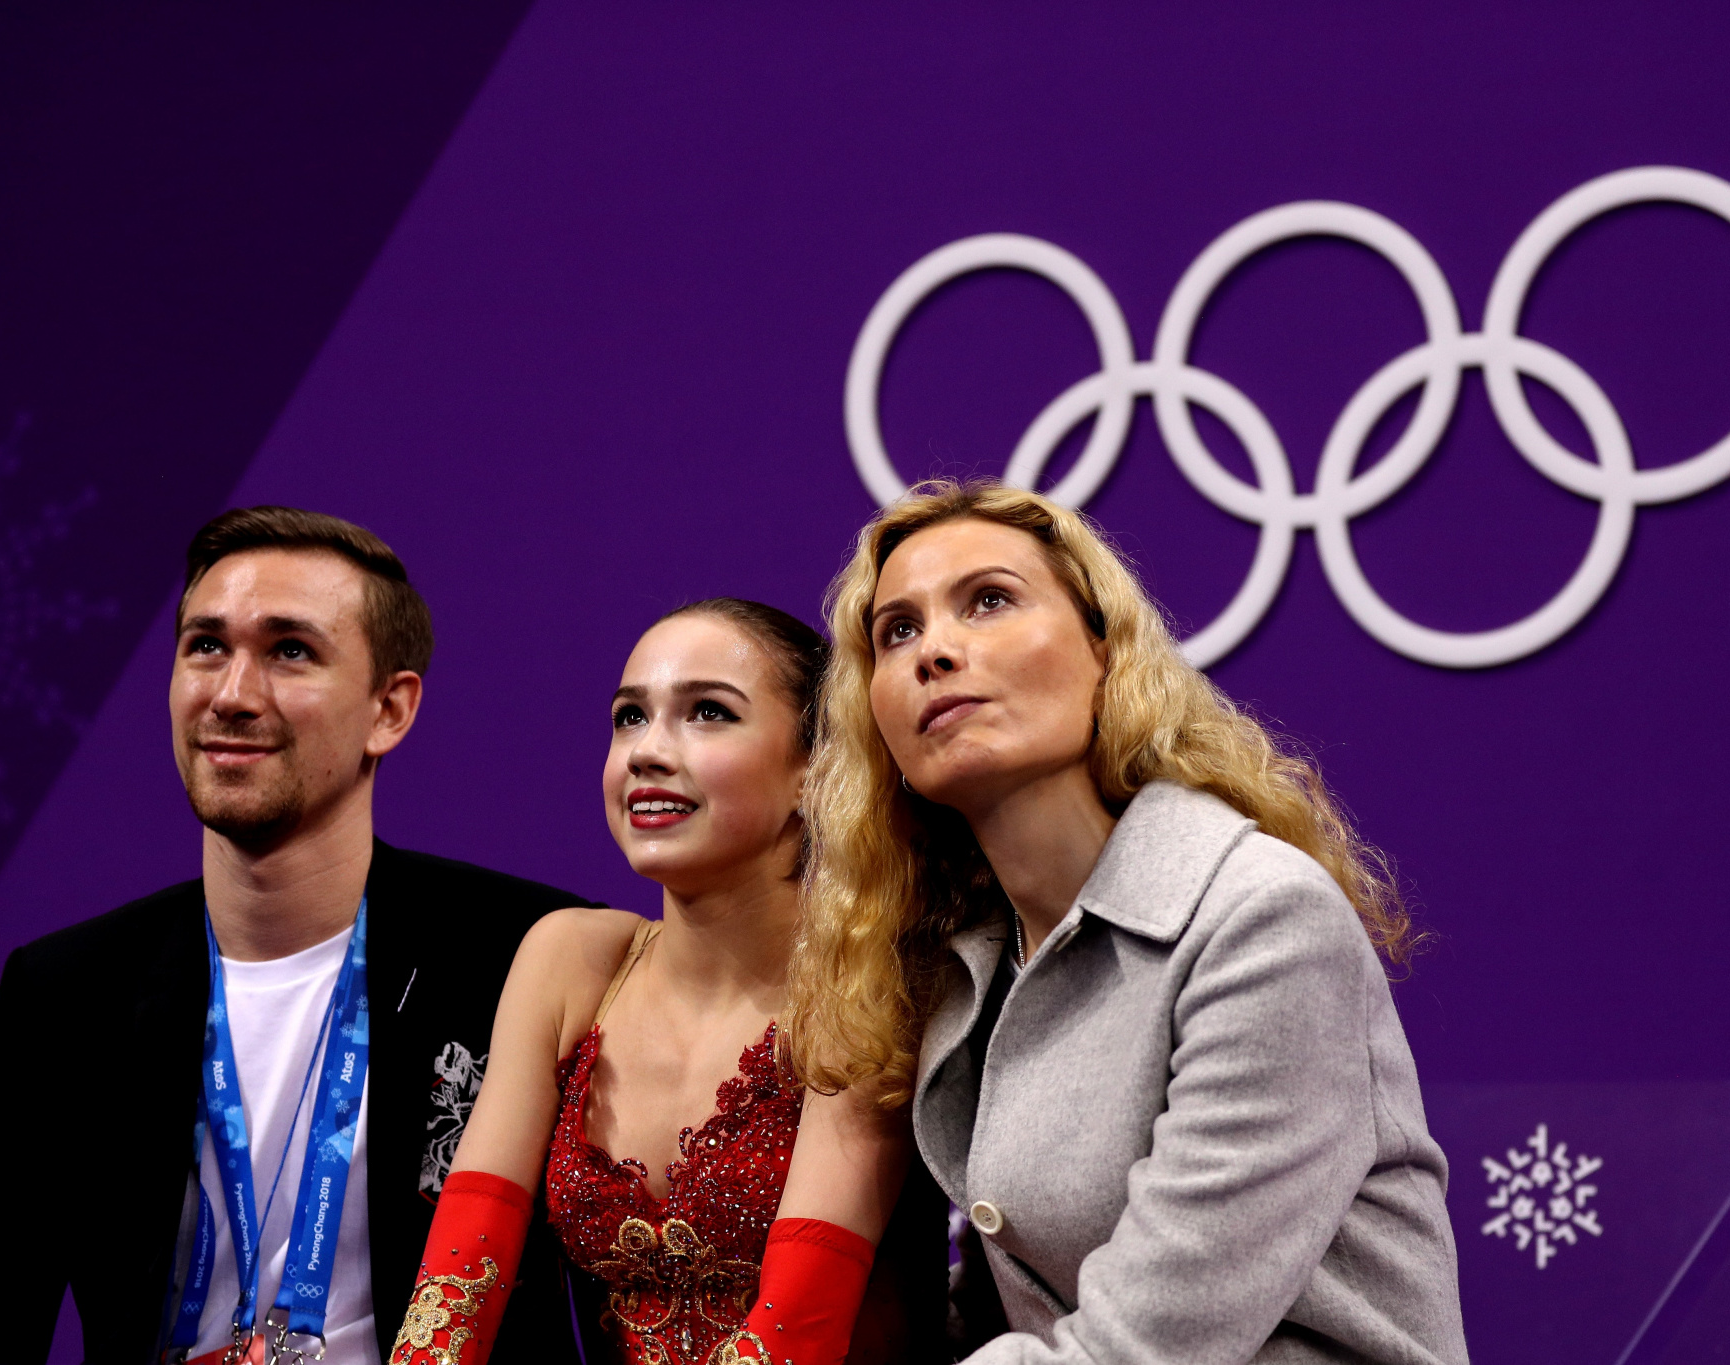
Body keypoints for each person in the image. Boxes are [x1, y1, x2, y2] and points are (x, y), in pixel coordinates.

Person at [786, 481, 1469, 1365]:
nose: (936, 651)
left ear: (1104, 650)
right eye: (897, 631)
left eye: (989, 600)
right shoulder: (970, 966)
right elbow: (1015, 1311)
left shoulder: (1262, 917)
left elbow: (1144, 1348)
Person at [0, 508, 595, 1365]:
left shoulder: (524, 959)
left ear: (389, 709)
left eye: (290, 650)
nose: (232, 694)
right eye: (206, 645)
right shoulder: (65, 994)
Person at [388, 600, 943, 1365]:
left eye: (708, 712)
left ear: (815, 768)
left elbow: (795, 1333)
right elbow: (452, 1298)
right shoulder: (569, 959)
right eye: (630, 717)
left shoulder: (864, 983)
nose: (647, 751)